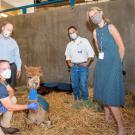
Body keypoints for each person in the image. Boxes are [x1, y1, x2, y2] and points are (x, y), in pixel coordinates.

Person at [88, 7, 125, 135]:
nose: (94, 17)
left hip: (113, 66)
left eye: (95, 14)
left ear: (101, 13)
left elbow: (121, 47)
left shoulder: (111, 28)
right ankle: (107, 118)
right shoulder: (94, 32)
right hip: (102, 65)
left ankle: (121, 128)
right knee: (103, 92)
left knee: (111, 96)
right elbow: (99, 50)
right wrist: (104, 59)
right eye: (91, 17)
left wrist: (117, 65)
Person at [0, 60, 38, 135]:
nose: (8, 71)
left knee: (13, 99)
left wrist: (4, 103)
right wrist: (28, 106)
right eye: (4, 69)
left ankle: (5, 126)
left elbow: (11, 91)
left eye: (8, 68)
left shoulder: (2, 80)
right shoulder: (1, 87)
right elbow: (10, 107)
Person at [65, 26, 94, 101]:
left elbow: (91, 53)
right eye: (70, 33)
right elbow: (67, 55)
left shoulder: (84, 41)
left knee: (83, 84)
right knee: (74, 85)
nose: (72, 34)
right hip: (73, 67)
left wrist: (87, 63)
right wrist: (69, 63)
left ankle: (85, 100)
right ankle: (77, 99)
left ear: (77, 31)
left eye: (73, 32)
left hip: (83, 66)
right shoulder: (69, 44)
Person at [0, 21, 22, 88]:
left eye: (11, 30)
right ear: (2, 28)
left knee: (11, 87)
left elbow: (17, 56)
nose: (9, 31)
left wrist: (19, 68)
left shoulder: (13, 42)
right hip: (0, 66)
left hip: (11, 67)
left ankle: (10, 97)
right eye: (8, 29)